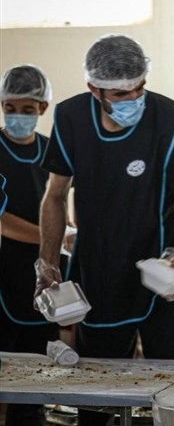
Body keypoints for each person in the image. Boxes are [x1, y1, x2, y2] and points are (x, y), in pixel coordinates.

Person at [35, 35, 174, 426]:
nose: (133, 99)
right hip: (100, 273)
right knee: (98, 396)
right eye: (120, 94)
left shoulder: (170, 122)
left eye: (139, 89)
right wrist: (47, 263)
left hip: (165, 282)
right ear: (93, 89)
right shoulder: (71, 118)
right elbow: (55, 196)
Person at [0, 65, 66, 426]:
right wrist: (53, 235)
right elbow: (2, 220)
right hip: (4, 271)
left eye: (27, 109)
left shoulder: (50, 152)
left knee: (37, 370)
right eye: (10, 108)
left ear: (42, 108)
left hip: (44, 271)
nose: (17, 116)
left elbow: (62, 202)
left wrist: (65, 240)